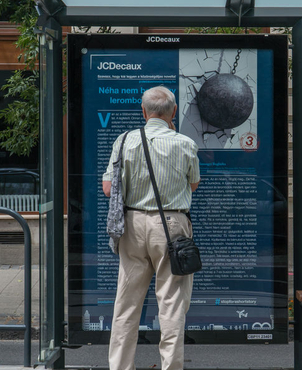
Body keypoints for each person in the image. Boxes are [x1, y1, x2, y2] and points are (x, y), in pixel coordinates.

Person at [101, 86, 200, 370]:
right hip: (171, 226)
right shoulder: (184, 143)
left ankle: (120, 367)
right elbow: (193, 184)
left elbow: (109, 188)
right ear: (174, 112)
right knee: (171, 303)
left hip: (131, 225)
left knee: (126, 304)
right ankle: (171, 367)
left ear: (143, 112)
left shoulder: (124, 140)